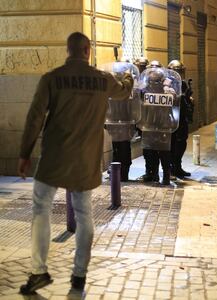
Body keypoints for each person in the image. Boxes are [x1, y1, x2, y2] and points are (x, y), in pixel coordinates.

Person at [17, 32, 134, 294]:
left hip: (54, 159)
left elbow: (35, 117)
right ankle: (78, 276)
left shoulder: (52, 78)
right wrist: (128, 76)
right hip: (85, 160)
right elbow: (124, 93)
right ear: (87, 51)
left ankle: (38, 272)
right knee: (84, 214)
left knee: (41, 209)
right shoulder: (102, 80)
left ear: (68, 51)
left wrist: (24, 154)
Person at [168, 60, 194, 178]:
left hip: (182, 117)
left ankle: (178, 166)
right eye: (177, 72)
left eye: (180, 72)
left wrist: (189, 99)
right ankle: (172, 167)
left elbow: (186, 100)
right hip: (171, 117)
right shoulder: (167, 83)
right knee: (172, 144)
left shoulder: (183, 84)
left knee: (182, 143)